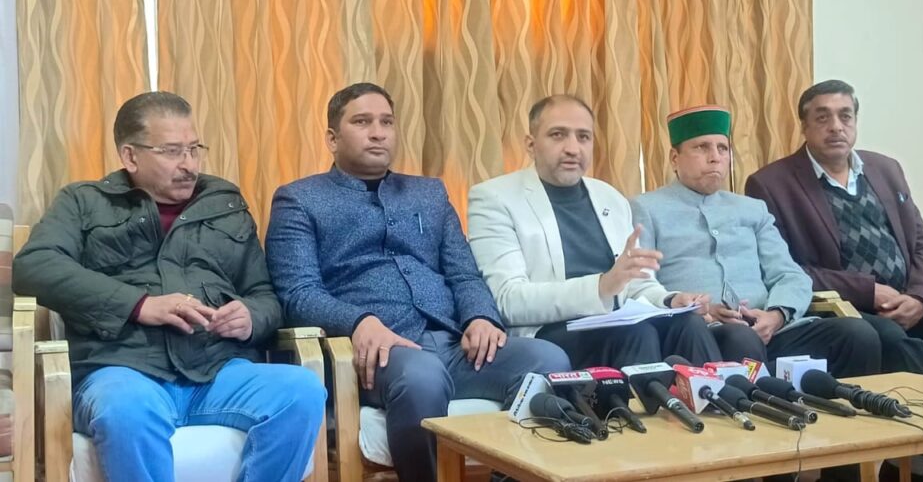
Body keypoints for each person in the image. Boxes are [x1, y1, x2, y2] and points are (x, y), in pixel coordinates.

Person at [12, 92, 325, 482]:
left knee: (301, 391)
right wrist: (139, 304)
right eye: (173, 152)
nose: (189, 164)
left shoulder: (224, 204)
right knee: (125, 410)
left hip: (217, 372)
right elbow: (34, 266)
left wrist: (250, 317)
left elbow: (264, 295)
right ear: (130, 156)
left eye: (194, 149)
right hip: (123, 370)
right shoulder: (83, 201)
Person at [265, 83, 570, 482]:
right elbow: (298, 294)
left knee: (548, 360)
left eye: (387, 122)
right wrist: (358, 322)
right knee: (422, 376)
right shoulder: (299, 199)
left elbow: (463, 273)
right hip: (375, 353)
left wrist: (480, 317)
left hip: (452, 344)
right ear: (332, 139)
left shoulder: (429, 193)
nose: (378, 133)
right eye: (363, 122)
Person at [745, 79, 923, 481]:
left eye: (845, 116)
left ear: (856, 121)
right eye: (822, 117)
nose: (836, 126)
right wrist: (868, 291)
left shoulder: (885, 169)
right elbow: (790, 268)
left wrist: (921, 299)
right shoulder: (772, 183)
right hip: (845, 310)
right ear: (803, 126)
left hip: (910, 301)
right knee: (889, 341)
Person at [467, 94, 738, 370]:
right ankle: (638, 401)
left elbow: (634, 285)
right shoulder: (495, 198)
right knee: (636, 333)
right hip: (549, 332)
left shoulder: (609, 197)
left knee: (688, 323)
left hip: (619, 322)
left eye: (584, 137)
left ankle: (718, 396)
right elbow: (508, 300)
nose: (573, 148)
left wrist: (670, 299)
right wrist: (600, 287)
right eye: (558, 135)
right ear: (531, 144)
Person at [632, 105, 882, 379]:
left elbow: (790, 275)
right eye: (702, 148)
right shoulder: (647, 209)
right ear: (674, 158)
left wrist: (775, 316)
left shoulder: (752, 209)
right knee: (740, 338)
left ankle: (842, 408)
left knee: (857, 335)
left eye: (722, 148)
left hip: (771, 331)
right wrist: (699, 310)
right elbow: (640, 286)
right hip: (704, 336)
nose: (715, 158)